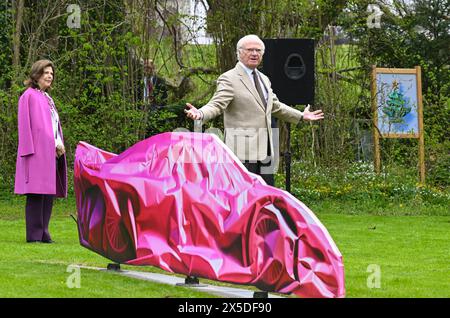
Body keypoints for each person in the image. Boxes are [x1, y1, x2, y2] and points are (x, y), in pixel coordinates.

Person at [185, 34, 324, 186]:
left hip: (266, 150)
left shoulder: (264, 79)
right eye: (250, 50)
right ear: (239, 53)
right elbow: (217, 104)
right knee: (243, 197)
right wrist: (201, 113)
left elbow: (275, 106)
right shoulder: (229, 78)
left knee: (265, 197)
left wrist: (301, 116)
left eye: (258, 50)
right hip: (242, 150)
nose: (254, 54)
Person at [14, 59, 67, 243]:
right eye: (46, 73)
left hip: (50, 154)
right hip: (36, 154)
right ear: (36, 75)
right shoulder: (28, 96)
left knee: (47, 194)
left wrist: (59, 143)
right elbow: (25, 126)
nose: (50, 76)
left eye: (51, 74)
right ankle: (34, 235)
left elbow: (52, 126)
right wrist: (28, 152)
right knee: (36, 194)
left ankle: (44, 233)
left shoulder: (47, 98)